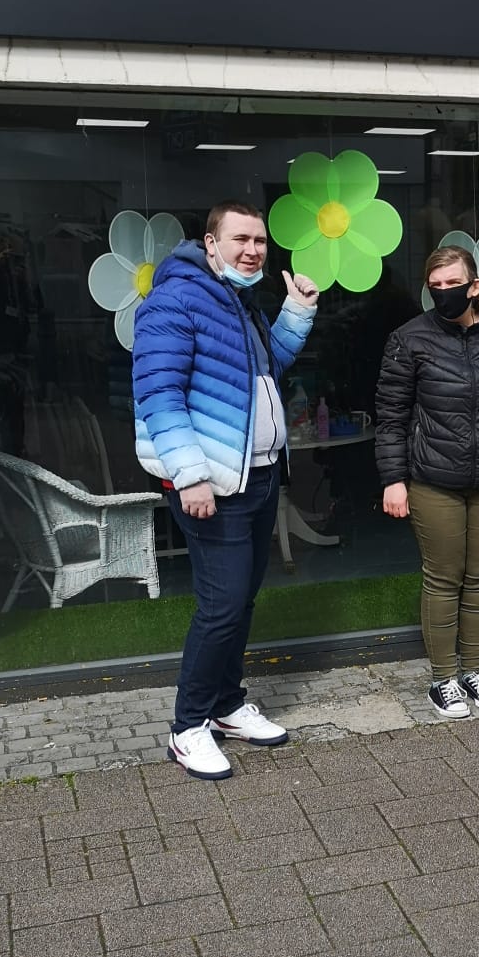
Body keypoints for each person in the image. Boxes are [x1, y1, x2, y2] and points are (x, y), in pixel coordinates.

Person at [133, 201, 319, 780]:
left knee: (239, 600)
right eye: (240, 238)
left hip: (257, 476)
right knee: (220, 607)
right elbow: (158, 395)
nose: (253, 250)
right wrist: (189, 476)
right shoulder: (175, 301)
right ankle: (189, 728)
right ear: (210, 244)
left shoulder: (238, 303)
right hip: (212, 485)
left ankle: (227, 705)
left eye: (260, 241)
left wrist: (295, 312)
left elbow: (266, 374)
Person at [376, 245, 479, 719]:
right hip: (433, 479)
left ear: (475, 288)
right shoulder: (409, 340)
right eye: (436, 286)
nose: (444, 293)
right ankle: (443, 678)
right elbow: (390, 417)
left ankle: (474, 670)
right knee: (444, 578)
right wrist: (394, 479)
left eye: (453, 284)